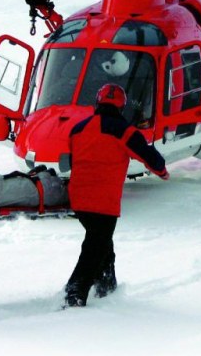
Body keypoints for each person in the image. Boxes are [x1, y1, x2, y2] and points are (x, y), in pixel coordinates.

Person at [64, 83, 169, 308]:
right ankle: (74, 294)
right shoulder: (125, 131)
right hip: (104, 202)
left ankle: (107, 288)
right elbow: (148, 155)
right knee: (95, 247)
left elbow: (72, 161)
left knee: (102, 243)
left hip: (78, 198)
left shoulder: (78, 129)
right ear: (121, 106)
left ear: (98, 102)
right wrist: (162, 171)